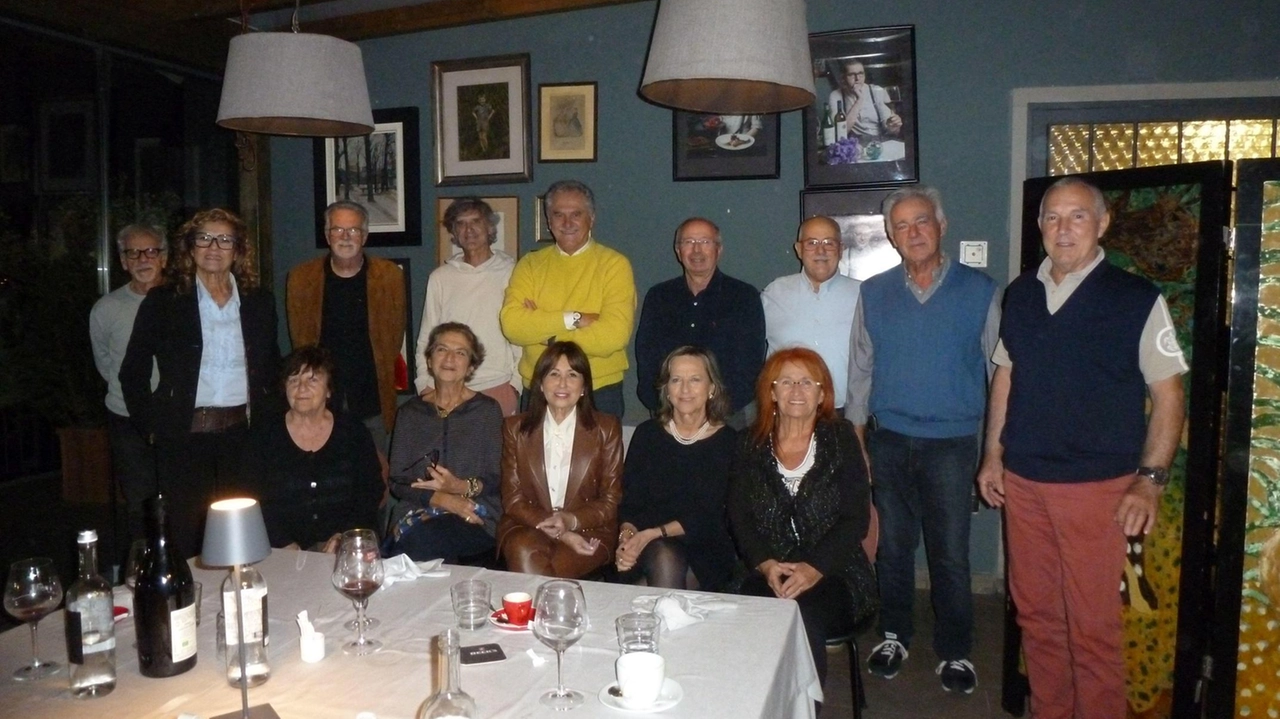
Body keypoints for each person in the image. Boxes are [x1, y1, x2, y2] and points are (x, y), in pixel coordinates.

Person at [977, 177, 1187, 719]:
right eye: (1052, 217)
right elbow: (1006, 376)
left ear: (1102, 224)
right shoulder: (1019, 294)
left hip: (1097, 490)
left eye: (1077, 216)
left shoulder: (1135, 298)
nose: (1063, 228)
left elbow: (1168, 396)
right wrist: (993, 455)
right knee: (1038, 619)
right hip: (1024, 483)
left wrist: (1150, 479)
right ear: (1040, 225)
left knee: (1092, 629)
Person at [845, 186, 1000, 694]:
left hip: (952, 446)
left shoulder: (980, 291)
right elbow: (861, 367)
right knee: (892, 549)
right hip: (889, 440)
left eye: (921, 222)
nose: (912, 233)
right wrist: (858, 435)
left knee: (950, 555)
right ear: (890, 236)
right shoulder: (874, 292)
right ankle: (895, 634)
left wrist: (993, 448)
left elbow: (1001, 372)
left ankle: (954, 650)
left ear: (941, 225)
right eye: (902, 226)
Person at [120, 208, 281, 560]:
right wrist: (152, 427)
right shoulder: (164, 302)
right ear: (190, 248)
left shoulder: (259, 302)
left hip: (244, 437)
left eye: (225, 239)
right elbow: (131, 372)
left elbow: (271, 368)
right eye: (204, 238)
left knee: (242, 535)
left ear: (238, 250)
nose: (213, 247)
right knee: (189, 538)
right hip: (184, 440)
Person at [728, 347, 877, 686]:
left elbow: (856, 519)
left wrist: (813, 568)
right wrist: (765, 564)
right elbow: (739, 516)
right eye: (787, 382)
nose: (797, 391)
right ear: (771, 391)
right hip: (766, 568)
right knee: (751, 616)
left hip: (834, 570)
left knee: (802, 615)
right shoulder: (748, 443)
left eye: (807, 382)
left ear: (822, 393)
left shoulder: (841, 440)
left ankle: (804, 709)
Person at [500, 180, 636, 418]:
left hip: (598, 389)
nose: (567, 223)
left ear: (591, 218)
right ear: (549, 221)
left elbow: (612, 337)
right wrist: (576, 318)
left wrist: (545, 334)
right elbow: (513, 326)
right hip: (539, 389)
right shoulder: (530, 265)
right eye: (558, 215)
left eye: (576, 214)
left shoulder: (614, 265)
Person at [286, 200, 406, 455]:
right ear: (327, 235)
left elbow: (393, 338)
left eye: (352, 230)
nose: (345, 237)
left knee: (374, 481)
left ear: (364, 236)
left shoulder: (389, 277)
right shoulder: (301, 278)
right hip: (321, 400)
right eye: (338, 229)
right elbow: (301, 342)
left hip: (371, 397)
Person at [616, 346, 739, 591]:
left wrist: (652, 534)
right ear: (666, 390)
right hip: (645, 546)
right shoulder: (646, 434)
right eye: (676, 380)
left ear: (711, 388)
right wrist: (626, 538)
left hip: (703, 550)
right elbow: (630, 502)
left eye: (695, 380)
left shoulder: (730, 442)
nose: (685, 389)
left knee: (662, 562)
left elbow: (710, 515)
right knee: (659, 561)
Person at [498, 341, 622, 577]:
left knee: (541, 571)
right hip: (528, 525)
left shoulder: (606, 428)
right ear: (541, 384)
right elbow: (513, 499)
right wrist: (562, 531)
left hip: (589, 528)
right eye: (554, 374)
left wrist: (572, 521)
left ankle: (534, 613)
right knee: (523, 550)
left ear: (584, 386)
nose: (563, 383)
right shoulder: (515, 428)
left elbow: (611, 500)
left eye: (572, 375)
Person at [239, 346, 382, 551]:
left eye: (312, 379)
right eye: (293, 379)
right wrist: (282, 542)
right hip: (277, 549)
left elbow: (370, 491)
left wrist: (345, 536)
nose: (301, 388)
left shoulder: (353, 432)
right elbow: (251, 496)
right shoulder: (264, 436)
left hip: (346, 544)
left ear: (329, 390)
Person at [386, 322, 503, 562]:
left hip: (474, 511)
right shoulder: (410, 413)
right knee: (423, 541)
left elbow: (497, 476)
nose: (450, 358)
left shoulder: (487, 411)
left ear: (471, 366)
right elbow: (397, 481)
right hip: (418, 510)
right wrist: (442, 499)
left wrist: (460, 488)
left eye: (460, 353)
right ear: (429, 360)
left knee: (426, 544)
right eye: (442, 349)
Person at [635, 217, 765, 428]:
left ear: (718, 249)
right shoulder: (659, 297)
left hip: (727, 417)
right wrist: (663, 406)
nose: (696, 250)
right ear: (678, 251)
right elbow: (647, 359)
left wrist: (715, 410)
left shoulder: (743, 297)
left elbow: (749, 365)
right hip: (669, 414)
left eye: (705, 242)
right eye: (688, 242)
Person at [90, 224, 168, 545]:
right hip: (126, 419)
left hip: (175, 416)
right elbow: (106, 363)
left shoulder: (181, 301)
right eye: (133, 252)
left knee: (179, 496)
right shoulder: (106, 309)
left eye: (150, 251)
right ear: (123, 261)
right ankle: (142, 574)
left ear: (164, 257)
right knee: (138, 502)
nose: (142, 258)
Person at [414, 197, 521, 416]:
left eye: (476, 222)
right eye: (461, 223)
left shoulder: (513, 273)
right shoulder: (440, 278)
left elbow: (520, 336)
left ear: (489, 227)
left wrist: (515, 386)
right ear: (453, 231)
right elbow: (427, 336)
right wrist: (424, 382)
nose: (469, 229)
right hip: (446, 387)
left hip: (497, 386)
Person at [761, 216, 861, 411]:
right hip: (784, 414)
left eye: (829, 243)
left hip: (843, 415)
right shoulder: (774, 294)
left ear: (841, 250)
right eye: (812, 243)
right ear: (798, 249)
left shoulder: (864, 296)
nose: (820, 250)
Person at [827, 59, 903, 143]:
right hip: (853, 144)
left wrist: (893, 127)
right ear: (843, 78)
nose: (857, 78)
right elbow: (840, 132)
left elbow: (892, 130)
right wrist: (859, 100)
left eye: (860, 73)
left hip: (880, 142)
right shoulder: (836, 95)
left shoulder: (876, 91)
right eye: (852, 75)